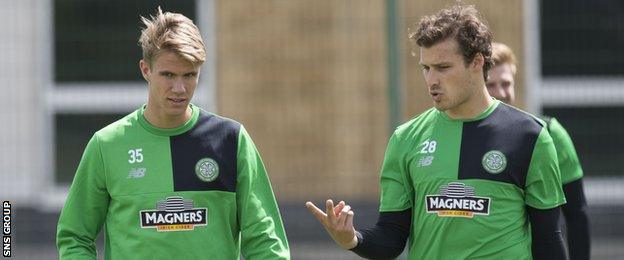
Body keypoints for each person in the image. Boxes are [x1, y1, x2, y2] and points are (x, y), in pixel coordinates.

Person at [306, 4, 567, 259]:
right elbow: (391, 237)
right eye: (426, 68)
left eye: (443, 68)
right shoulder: (406, 139)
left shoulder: (530, 136)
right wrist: (351, 239)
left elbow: (548, 240)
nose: (431, 80)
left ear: (477, 62)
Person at [56, 7, 290, 259]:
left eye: (189, 75)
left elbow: (265, 242)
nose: (179, 88)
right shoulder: (107, 145)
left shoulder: (230, 140)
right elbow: (75, 237)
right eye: (168, 74)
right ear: (146, 70)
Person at [487, 42, 590, 260]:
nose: (500, 93)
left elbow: (577, 215)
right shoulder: (462, 138)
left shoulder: (550, 133)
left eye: (506, 83)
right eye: (490, 85)